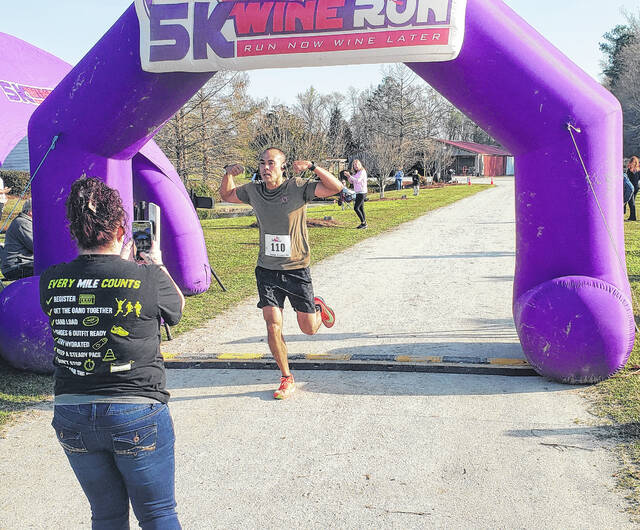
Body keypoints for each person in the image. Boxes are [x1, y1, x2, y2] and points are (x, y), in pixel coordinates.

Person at [39, 177, 185, 528]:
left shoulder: (51, 279)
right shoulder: (147, 276)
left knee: (105, 515)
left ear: (74, 230)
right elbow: (176, 309)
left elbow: (90, 295)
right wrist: (155, 263)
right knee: (158, 513)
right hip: (136, 409)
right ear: (122, 228)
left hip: (72, 411)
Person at [220, 148, 342, 399]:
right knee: (272, 324)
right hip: (267, 270)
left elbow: (335, 187)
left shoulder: (297, 187)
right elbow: (227, 195)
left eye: (271, 163)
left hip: (296, 269)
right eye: (262, 163)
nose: (266, 168)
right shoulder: (253, 190)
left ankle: (317, 309)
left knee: (308, 329)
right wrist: (228, 173)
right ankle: (286, 376)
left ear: (282, 167)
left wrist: (313, 166)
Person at [1, 199, 34, 280]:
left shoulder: (26, 222)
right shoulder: (22, 223)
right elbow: (36, 247)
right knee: (48, 270)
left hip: (23, 264)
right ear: (30, 212)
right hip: (16, 267)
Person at [348, 159, 368, 229]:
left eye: (357, 165)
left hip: (362, 192)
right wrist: (348, 176)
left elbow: (358, 180)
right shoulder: (356, 173)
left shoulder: (362, 172)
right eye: (354, 165)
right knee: (361, 208)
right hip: (358, 192)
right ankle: (364, 223)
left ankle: (363, 223)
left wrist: (350, 177)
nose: (355, 167)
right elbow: (351, 181)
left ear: (360, 165)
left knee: (356, 208)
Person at [626, 156, 640, 221]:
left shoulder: (632, 170)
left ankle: (633, 217)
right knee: (631, 202)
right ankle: (632, 216)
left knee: (631, 202)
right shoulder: (636, 169)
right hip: (634, 187)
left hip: (633, 188)